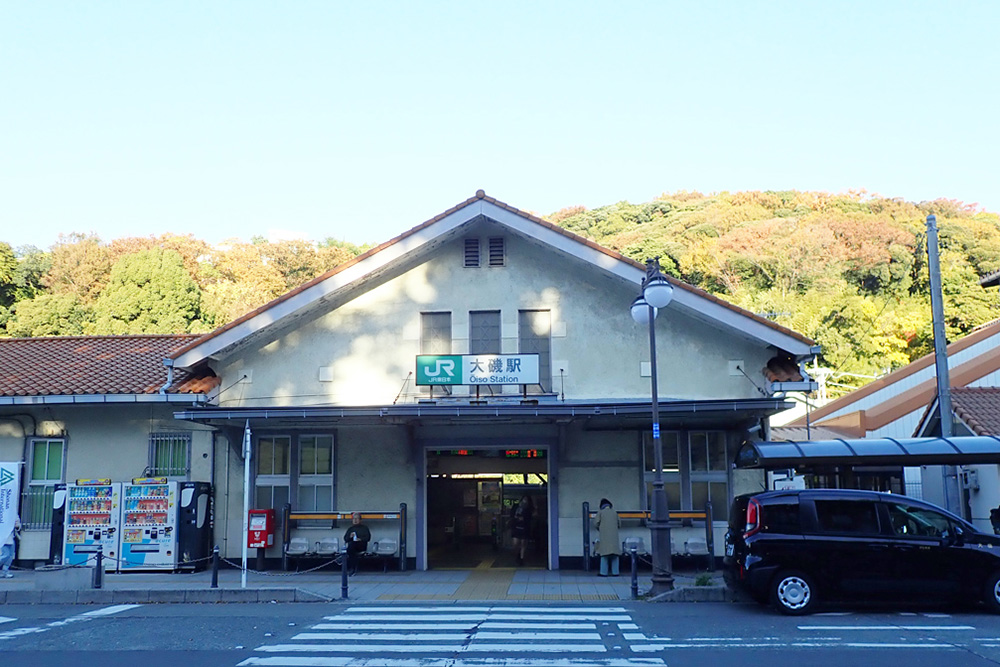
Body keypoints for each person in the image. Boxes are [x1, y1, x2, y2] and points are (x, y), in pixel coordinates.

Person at [594, 498, 621, 576]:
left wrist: (600, 528)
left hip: (604, 536)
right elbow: (619, 523)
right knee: (615, 555)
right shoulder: (614, 512)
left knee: (604, 555)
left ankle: (603, 572)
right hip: (614, 537)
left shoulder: (601, 512)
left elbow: (596, 523)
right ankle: (616, 572)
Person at [510, 495, 533, 566]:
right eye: (524, 499)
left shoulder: (529, 509)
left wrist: (524, 519)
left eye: (526, 500)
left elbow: (530, 517)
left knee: (523, 543)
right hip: (516, 527)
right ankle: (518, 554)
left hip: (525, 527)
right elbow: (511, 515)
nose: (525, 501)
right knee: (515, 544)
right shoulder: (516, 507)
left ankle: (521, 558)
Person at [1, 514, 20, 579]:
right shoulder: (3, 511)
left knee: (10, 556)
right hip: (3, 537)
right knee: (5, 555)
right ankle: (4, 571)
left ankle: (5, 571)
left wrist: (16, 526)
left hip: (11, 536)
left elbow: (17, 522)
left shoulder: (12, 511)